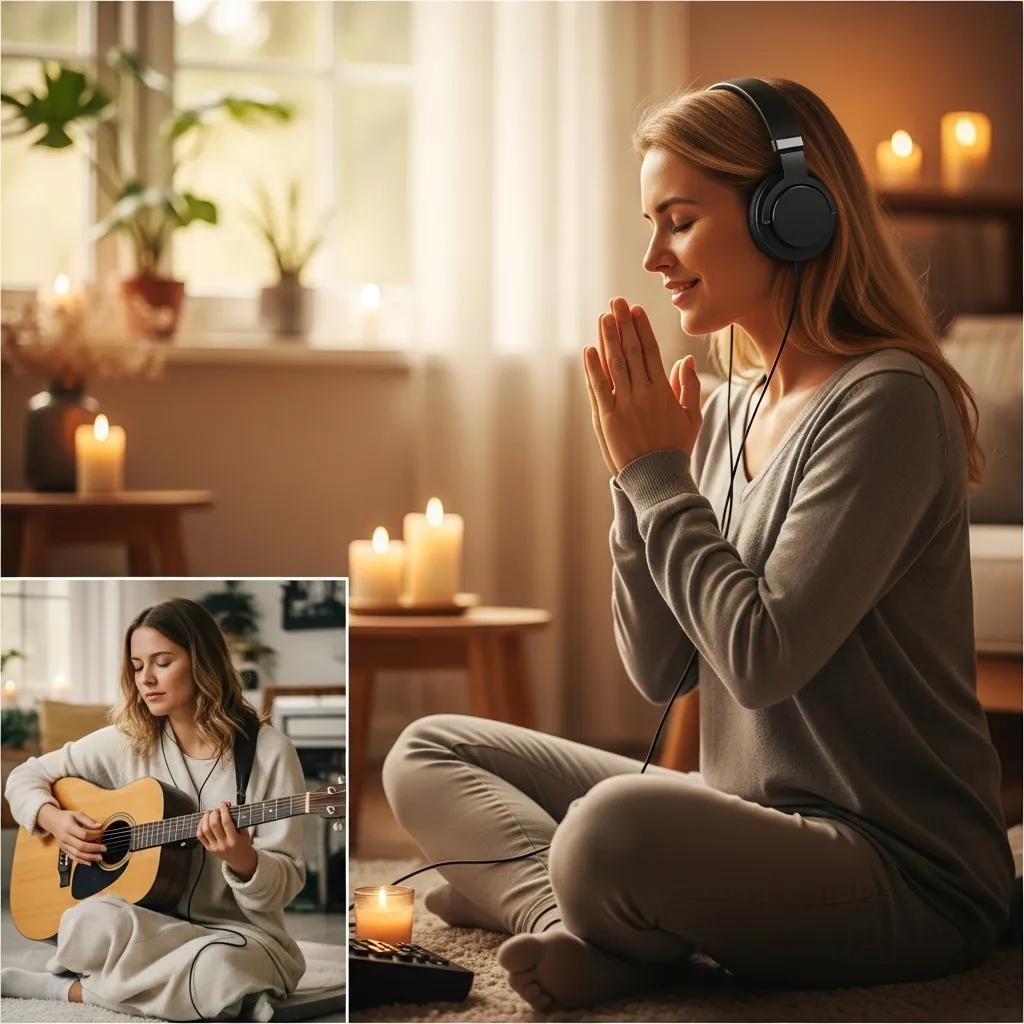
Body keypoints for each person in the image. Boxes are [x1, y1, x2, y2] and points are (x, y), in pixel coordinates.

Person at [381, 78, 1016, 1013]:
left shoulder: (888, 401)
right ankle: (578, 925)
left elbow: (761, 661)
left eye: (678, 220)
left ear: (789, 215)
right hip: (749, 818)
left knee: (609, 830)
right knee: (426, 752)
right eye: (651, 224)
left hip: (902, 872)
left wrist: (652, 476)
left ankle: (591, 914)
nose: (654, 257)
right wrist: (634, 482)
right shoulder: (729, 408)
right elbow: (663, 667)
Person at [2, 598, 308, 1022]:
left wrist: (243, 860)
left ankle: (71, 990)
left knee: (218, 968)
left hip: (239, 936)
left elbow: (287, 883)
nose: (145, 679)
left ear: (202, 662)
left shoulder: (269, 753)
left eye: (162, 662)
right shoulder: (129, 740)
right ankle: (219, 998)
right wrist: (54, 818)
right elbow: (23, 776)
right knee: (88, 919)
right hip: (151, 927)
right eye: (136, 665)